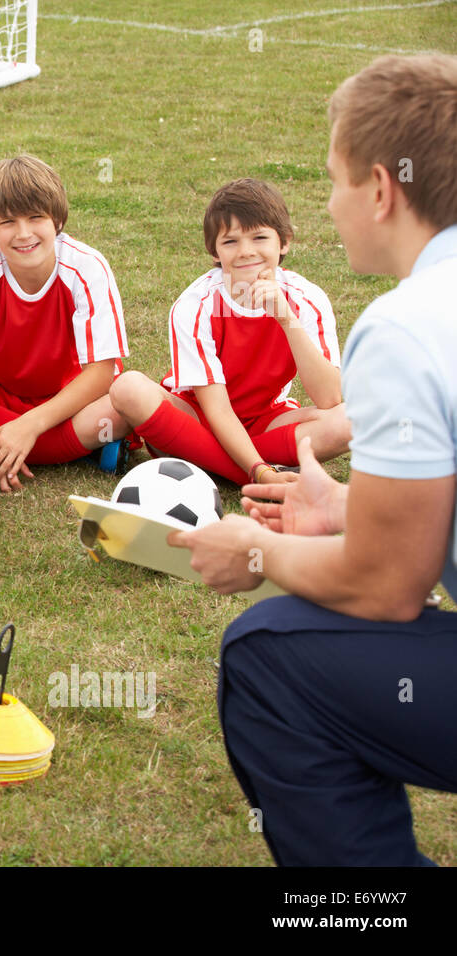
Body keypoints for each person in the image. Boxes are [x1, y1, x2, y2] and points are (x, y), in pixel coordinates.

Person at [170, 54, 457, 866]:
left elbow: (386, 586)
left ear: (380, 189)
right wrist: (345, 510)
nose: (329, 206)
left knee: (264, 654)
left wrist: (253, 549)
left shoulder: (406, 326)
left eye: (332, 181)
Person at [109, 178, 350, 486]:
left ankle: (201, 460)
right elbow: (218, 411)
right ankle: (261, 471)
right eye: (231, 241)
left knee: (349, 422)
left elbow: (329, 397)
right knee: (128, 388)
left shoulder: (307, 299)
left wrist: (286, 318)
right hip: (200, 419)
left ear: (285, 241)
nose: (246, 252)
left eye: (259, 237)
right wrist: (259, 472)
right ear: (214, 251)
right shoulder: (197, 304)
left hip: (265, 420)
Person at [0, 154, 131, 493]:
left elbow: (102, 372)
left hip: (73, 400)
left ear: (56, 220)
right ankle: (70, 451)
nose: (23, 233)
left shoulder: (86, 268)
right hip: (2, 393)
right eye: (8, 222)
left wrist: (29, 426)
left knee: (123, 408)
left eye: (35, 217)